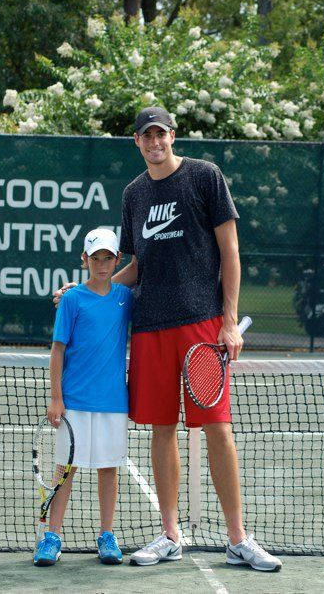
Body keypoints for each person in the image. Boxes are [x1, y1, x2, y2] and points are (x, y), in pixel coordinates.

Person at [54, 107, 282, 572]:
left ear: (172, 136)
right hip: (151, 328)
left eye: (161, 134)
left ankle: (238, 539)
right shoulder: (134, 195)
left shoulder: (205, 177)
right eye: (146, 136)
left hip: (201, 324)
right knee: (162, 429)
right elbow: (136, 265)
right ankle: (170, 534)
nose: (155, 142)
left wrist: (228, 318)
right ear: (137, 142)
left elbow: (230, 249)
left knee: (218, 427)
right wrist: (91, 290)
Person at [34, 228, 132, 567]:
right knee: (65, 470)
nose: (101, 264)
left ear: (118, 260)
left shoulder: (125, 298)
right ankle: (51, 536)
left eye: (108, 258)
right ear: (84, 260)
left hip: (114, 403)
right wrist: (56, 398)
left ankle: (107, 535)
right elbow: (57, 350)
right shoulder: (73, 299)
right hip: (74, 402)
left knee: (108, 469)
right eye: (95, 258)